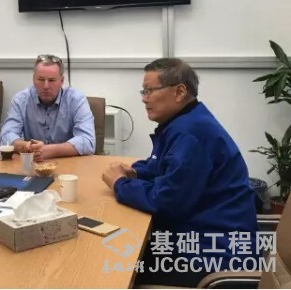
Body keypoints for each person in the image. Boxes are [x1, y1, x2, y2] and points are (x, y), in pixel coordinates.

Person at [101, 58, 258, 287]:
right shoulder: (186, 122)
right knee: (120, 250)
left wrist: (120, 184)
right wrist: (136, 173)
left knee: (114, 268)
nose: (144, 99)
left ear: (179, 92)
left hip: (213, 255)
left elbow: (166, 201)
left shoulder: (191, 133)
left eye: (149, 91)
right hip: (199, 236)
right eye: (143, 91)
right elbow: (163, 166)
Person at [0, 54, 95, 161]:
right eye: (41, 79)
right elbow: (6, 136)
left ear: (62, 81)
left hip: (69, 163)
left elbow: (88, 142)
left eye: (52, 80)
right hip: (33, 163)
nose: (46, 86)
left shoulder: (76, 100)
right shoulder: (21, 99)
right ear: (33, 79)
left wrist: (48, 151)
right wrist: (27, 146)